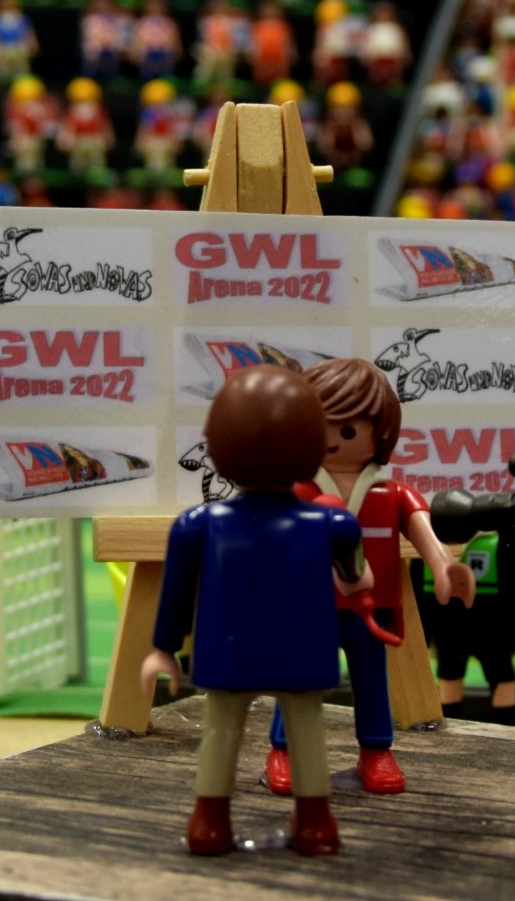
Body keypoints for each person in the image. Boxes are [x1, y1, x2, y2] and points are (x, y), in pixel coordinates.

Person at [141, 366, 368, 856]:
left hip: (229, 652)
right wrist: (357, 580)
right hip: (301, 653)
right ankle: (315, 822)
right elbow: (354, 574)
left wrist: (163, 648)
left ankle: (209, 821)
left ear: (218, 446)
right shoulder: (332, 523)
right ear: (315, 446)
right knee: (307, 732)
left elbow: (175, 591)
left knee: (221, 732)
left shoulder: (198, 523)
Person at [262, 357, 476, 797]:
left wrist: (443, 565)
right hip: (310, 607)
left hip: (369, 611)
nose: (333, 441)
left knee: (373, 681)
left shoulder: (391, 493)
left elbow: (422, 529)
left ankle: (376, 751)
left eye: (348, 430)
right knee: (297, 680)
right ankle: (284, 749)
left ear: (381, 433)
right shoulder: (295, 491)